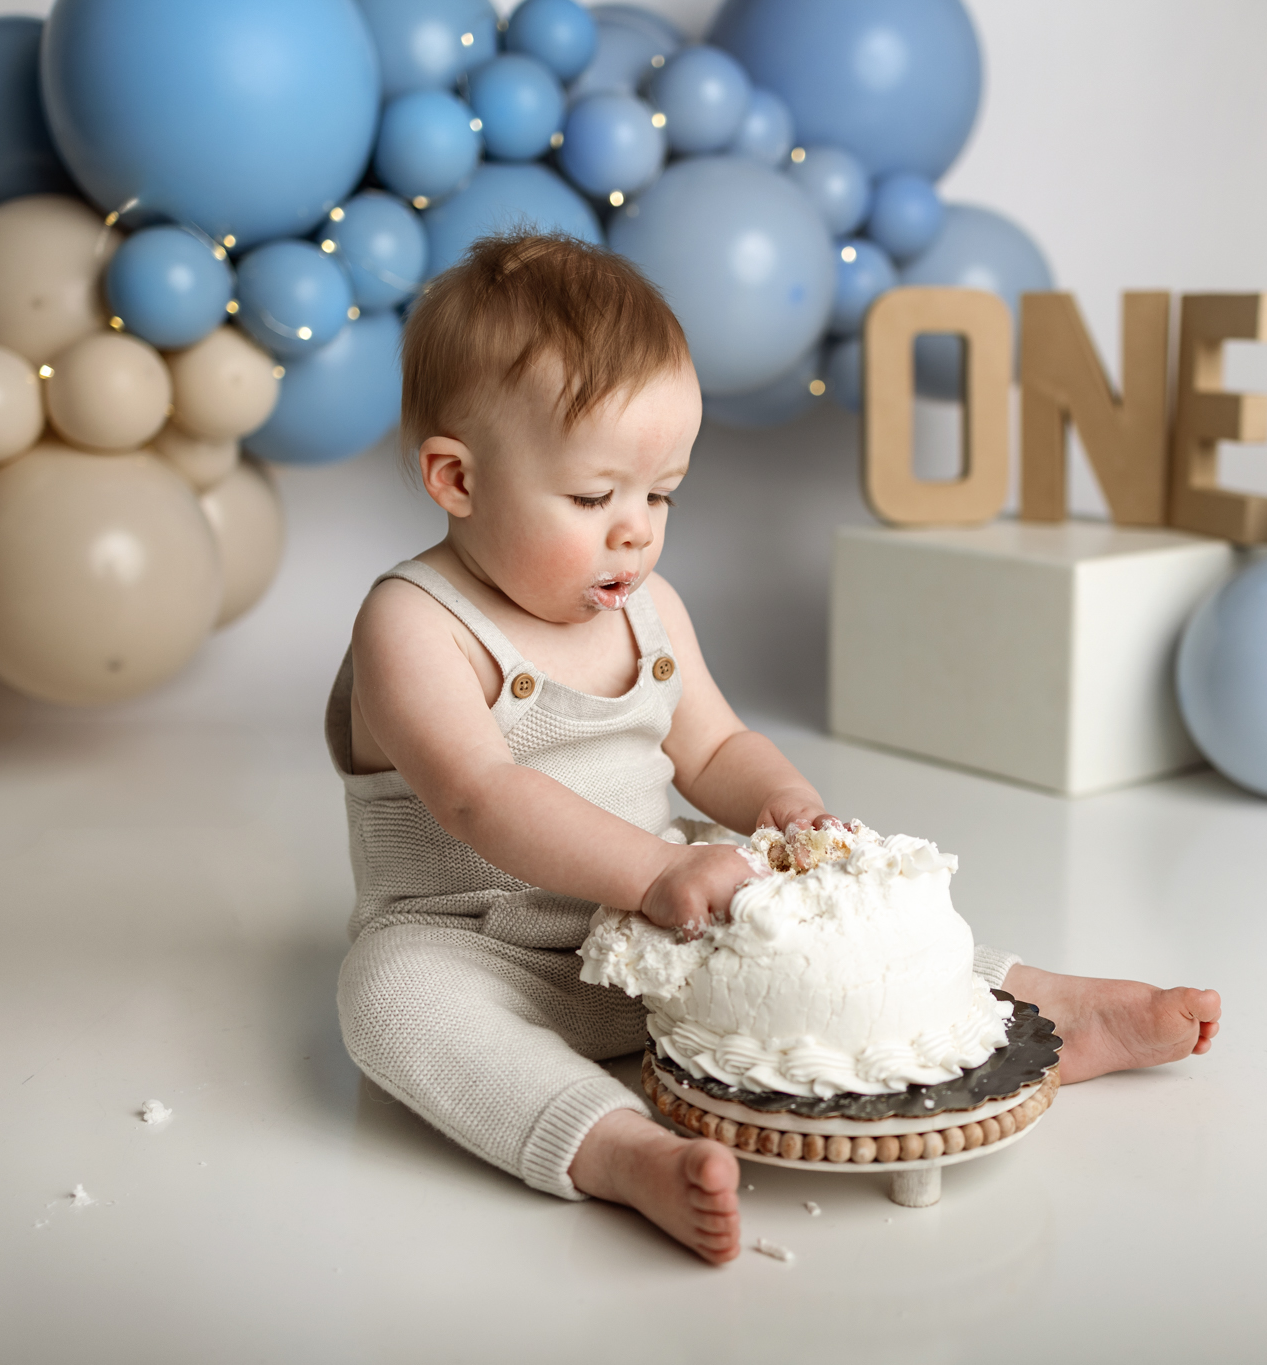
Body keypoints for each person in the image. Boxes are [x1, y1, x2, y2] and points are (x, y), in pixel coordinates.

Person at [326, 234, 1221, 1265]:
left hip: (665, 928)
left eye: (659, 494)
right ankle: (614, 1148)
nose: (633, 532)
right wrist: (658, 869)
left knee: (836, 947)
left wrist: (787, 810)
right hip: (480, 944)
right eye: (591, 498)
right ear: (456, 479)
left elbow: (712, 747)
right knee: (388, 999)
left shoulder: (648, 608)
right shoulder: (413, 624)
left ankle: (1042, 1009)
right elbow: (479, 794)